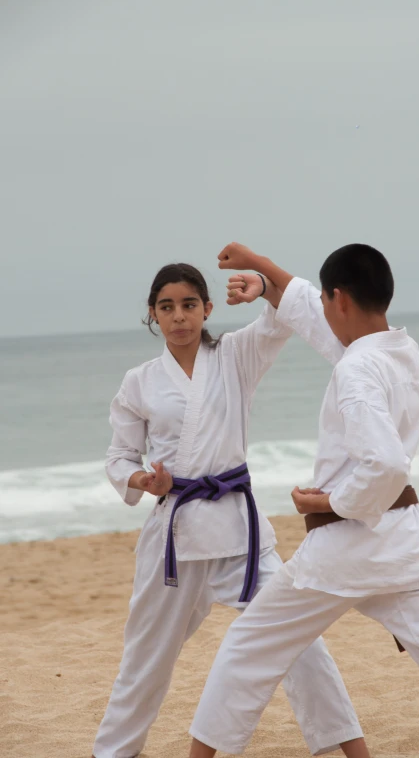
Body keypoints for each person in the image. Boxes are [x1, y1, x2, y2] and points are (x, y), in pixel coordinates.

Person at [186, 243, 419, 758]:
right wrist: (264, 269)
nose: (320, 309)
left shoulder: (357, 370)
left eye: (324, 299)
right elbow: (325, 325)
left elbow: (386, 464)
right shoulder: (397, 348)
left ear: (339, 298)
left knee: (248, 648)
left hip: (348, 547)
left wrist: (328, 504)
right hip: (409, 546)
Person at [92, 262, 371, 758]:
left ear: (207, 309)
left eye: (189, 305)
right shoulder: (139, 382)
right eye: (167, 307)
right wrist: (143, 480)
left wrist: (262, 286)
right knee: (147, 659)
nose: (179, 317)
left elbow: (282, 318)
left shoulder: (236, 354)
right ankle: (113, 752)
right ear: (153, 316)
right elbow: (119, 457)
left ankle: (347, 751)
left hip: (240, 531)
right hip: (174, 537)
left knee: (300, 641)